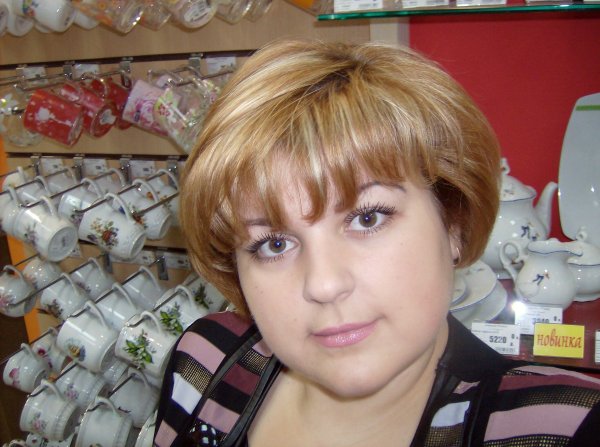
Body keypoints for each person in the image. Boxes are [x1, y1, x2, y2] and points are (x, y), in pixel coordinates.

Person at [154, 39, 600, 447]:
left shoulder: (561, 428)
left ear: (453, 224)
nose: (324, 285)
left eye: (367, 218)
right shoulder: (204, 362)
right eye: (273, 244)